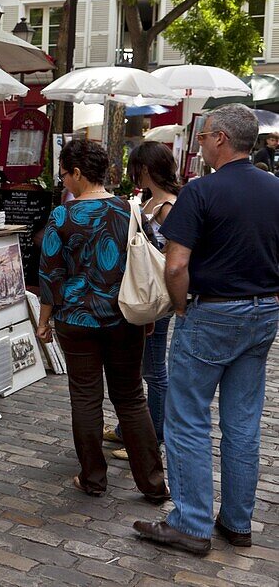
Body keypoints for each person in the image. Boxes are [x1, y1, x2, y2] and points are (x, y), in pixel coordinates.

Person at [134, 104, 279, 555]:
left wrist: (180, 308)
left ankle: (192, 523)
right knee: (242, 420)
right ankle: (237, 522)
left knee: (187, 419)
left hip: (213, 311)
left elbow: (176, 266)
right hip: (262, 311)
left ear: (220, 139)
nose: (198, 145)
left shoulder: (201, 192)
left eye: (202, 137)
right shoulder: (275, 188)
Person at [37, 139, 168, 503]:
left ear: (78, 173)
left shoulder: (62, 216)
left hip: (76, 320)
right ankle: (153, 484)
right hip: (124, 317)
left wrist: (43, 321)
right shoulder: (130, 210)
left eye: (64, 175)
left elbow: (50, 274)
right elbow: (147, 260)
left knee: (85, 398)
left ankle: (93, 479)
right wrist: (147, 316)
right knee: (131, 399)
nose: (64, 182)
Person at [105, 141, 180, 460]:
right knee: (138, 366)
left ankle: (153, 436)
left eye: (134, 167)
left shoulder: (167, 207)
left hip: (155, 297)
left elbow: (177, 252)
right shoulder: (152, 201)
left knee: (153, 371)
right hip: (145, 293)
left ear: (145, 169)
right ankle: (129, 428)